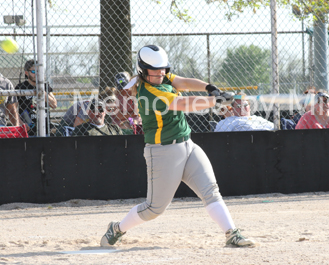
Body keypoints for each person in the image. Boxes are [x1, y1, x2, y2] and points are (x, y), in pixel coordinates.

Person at [100, 45, 256, 248]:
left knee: (210, 190)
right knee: (154, 209)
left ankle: (231, 233)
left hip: (187, 144)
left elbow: (182, 81)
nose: (160, 73)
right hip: (162, 152)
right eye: (154, 70)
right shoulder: (149, 92)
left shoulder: (161, 76)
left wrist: (210, 88)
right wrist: (214, 101)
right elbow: (183, 104)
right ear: (142, 70)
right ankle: (117, 228)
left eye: (163, 69)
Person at [15, 60, 57, 136]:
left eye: (39, 71)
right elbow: (12, 109)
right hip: (28, 131)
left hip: (45, 130)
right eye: (34, 72)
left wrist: (42, 91)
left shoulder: (45, 86)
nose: (37, 74)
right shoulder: (20, 87)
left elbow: (54, 104)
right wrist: (21, 124)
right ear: (27, 73)